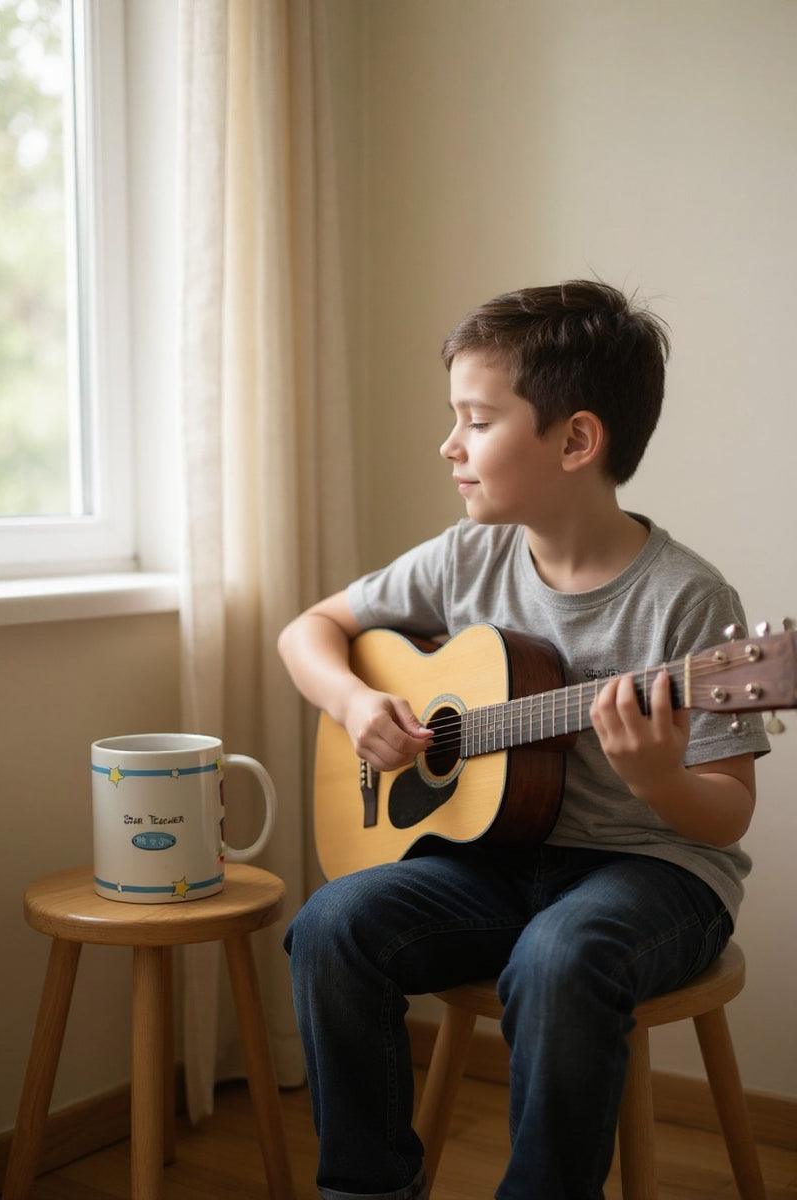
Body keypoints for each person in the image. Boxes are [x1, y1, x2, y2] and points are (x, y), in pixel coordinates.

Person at [278, 280, 769, 1200]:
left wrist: (660, 779)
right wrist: (352, 703)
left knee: (560, 955)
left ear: (576, 441)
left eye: (476, 420)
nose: (449, 445)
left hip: (655, 872)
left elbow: (728, 815)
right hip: (495, 862)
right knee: (332, 926)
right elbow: (307, 630)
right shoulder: (467, 557)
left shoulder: (689, 600)